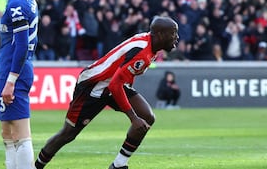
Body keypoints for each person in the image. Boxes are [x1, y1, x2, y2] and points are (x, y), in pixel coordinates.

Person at [35, 16, 179, 169]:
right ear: (160, 35)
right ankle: (36, 166)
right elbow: (115, 85)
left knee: (147, 116)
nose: (176, 37)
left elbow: (120, 77)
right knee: (68, 134)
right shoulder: (143, 51)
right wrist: (132, 118)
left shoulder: (151, 45)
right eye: (173, 33)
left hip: (114, 83)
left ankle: (118, 164)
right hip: (93, 86)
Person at [0, 0, 38, 169]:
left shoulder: (17, 4)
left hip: (14, 71)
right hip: (10, 69)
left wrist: (11, 80)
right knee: (7, 132)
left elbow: (21, 46)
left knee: (19, 132)